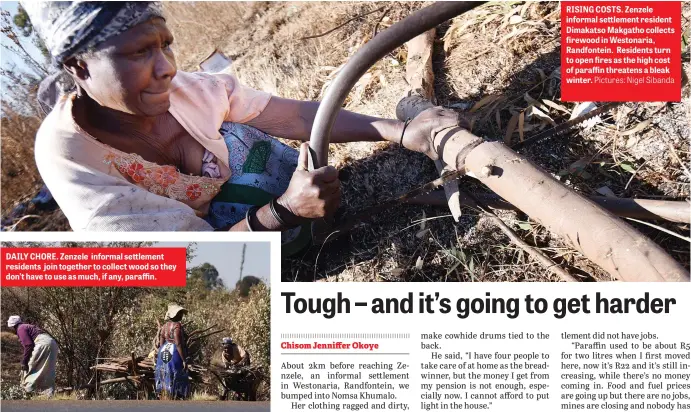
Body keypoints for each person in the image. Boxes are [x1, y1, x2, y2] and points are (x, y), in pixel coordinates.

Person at [21, 2, 463, 254]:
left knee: (237, 130)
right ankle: (304, 242)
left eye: (167, 46)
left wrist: (399, 131)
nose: (166, 68)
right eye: (139, 53)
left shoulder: (187, 90)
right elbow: (182, 263)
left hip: (258, 212)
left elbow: (292, 116)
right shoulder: (70, 156)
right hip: (222, 257)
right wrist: (283, 211)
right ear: (79, 66)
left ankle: (314, 216)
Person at [6, 316, 59, 397]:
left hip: (43, 344)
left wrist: (24, 361)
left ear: (13, 326)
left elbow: (28, 345)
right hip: (52, 344)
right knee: (47, 368)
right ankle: (48, 393)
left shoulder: (20, 328)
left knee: (30, 366)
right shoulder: (26, 326)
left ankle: (28, 391)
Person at [154, 304, 189, 399]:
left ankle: (163, 393)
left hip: (164, 350)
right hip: (175, 352)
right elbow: (178, 343)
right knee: (178, 373)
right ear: (176, 314)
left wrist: (161, 352)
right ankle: (176, 396)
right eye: (180, 313)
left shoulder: (165, 326)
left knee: (163, 372)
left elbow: (161, 341)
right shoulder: (177, 326)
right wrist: (184, 360)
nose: (182, 315)